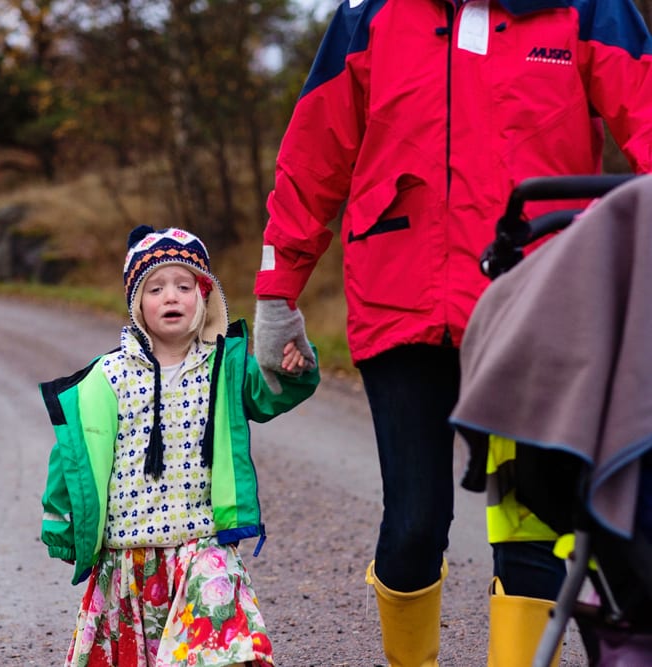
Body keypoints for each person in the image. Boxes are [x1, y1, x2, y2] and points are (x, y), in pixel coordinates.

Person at [250, 2, 652, 666]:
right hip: (402, 302)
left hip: (542, 304)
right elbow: (313, 155)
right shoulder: (369, 14)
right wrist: (277, 290)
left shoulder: (588, 8)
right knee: (413, 527)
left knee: (533, 527)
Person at [40, 226, 319, 667]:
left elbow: (272, 392)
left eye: (184, 286)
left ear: (204, 297)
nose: (171, 296)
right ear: (137, 304)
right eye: (156, 288)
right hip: (127, 555)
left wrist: (292, 366)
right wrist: (59, 523)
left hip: (202, 548)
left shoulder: (225, 368)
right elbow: (73, 454)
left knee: (219, 654)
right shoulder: (107, 378)